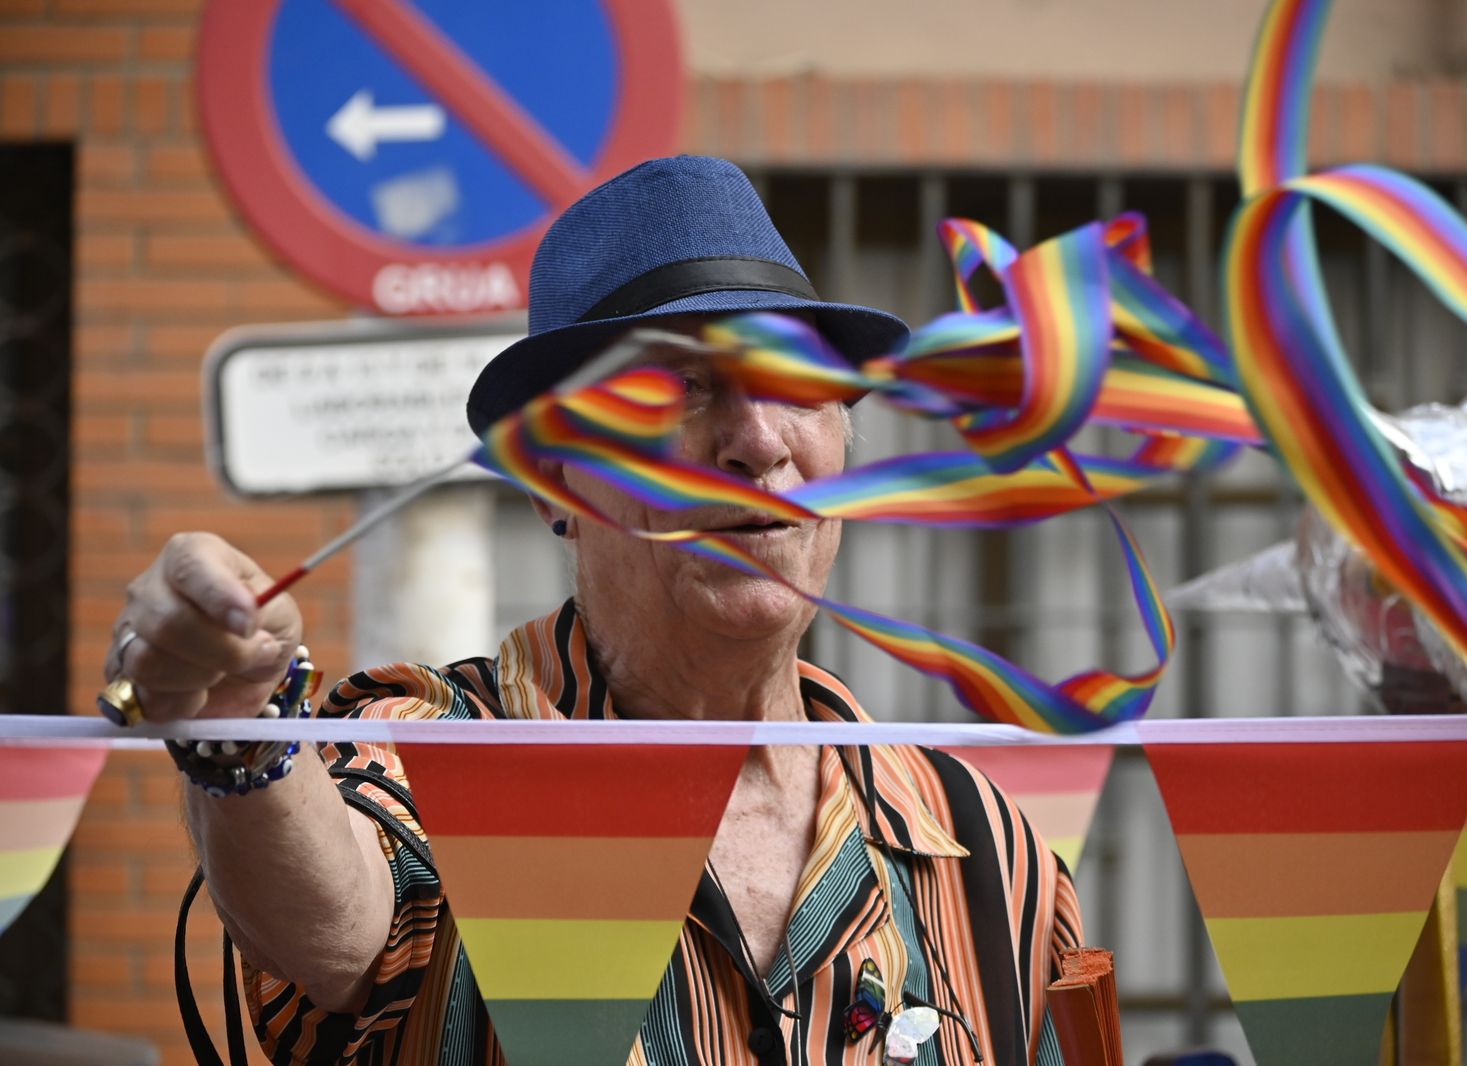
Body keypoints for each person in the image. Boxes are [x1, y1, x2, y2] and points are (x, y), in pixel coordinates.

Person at [101, 156, 1084, 1065]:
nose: (755, 439)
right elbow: (336, 928)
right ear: (554, 481)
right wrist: (241, 717)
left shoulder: (982, 841)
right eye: (681, 386)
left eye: (796, 383)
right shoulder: (443, 751)